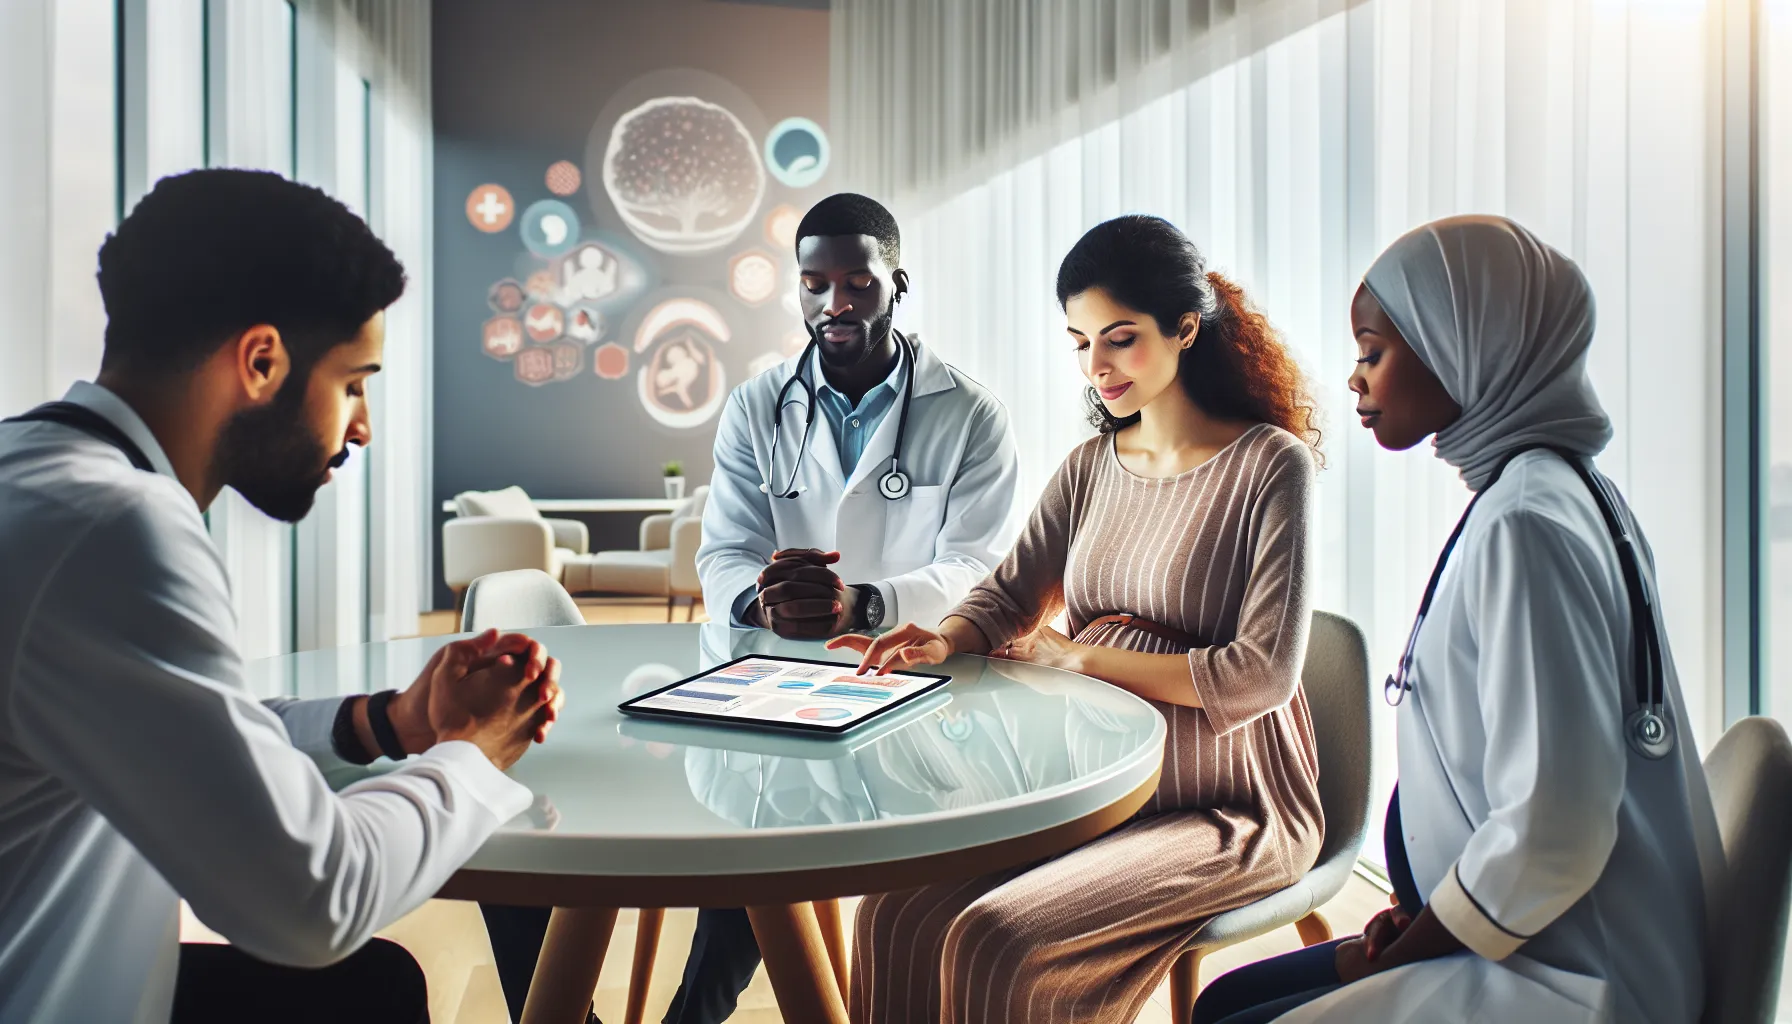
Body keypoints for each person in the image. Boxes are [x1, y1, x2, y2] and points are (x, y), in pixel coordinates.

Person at [0, 168, 565, 1024]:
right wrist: (474, 750)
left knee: (373, 991)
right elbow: (315, 901)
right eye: (353, 384)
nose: (363, 427)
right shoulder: (116, 528)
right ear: (262, 361)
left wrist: (390, 723)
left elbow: (183, 735)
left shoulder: (36, 479)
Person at [480, 192, 1021, 1024]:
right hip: (755, 673)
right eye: (814, 285)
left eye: (857, 283)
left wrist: (863, 603)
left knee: (761, 838)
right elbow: (724, 549)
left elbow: (979, 565)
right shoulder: (757, 404)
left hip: (899, 682)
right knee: (746, 816)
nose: (834, 305)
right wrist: (768, 603)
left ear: (897, 283)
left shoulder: (971, 413)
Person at [1191, 215, 1723, 1024]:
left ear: (1462, 346)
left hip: (1565, 974)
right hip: (1521, 929)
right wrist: (1436, 908)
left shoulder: (1527, 523)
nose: (1355, 379)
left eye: (1373, 352)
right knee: (1230, 993)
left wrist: (1426, 941)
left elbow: (1556, 828)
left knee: (1230, 1015)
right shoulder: (1553, 490)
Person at [830, 214, 1325, 1024]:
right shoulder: (1092, 464)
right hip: (1094, 782)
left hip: (1228, 805)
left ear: (1185, 328)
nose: (1096, 366)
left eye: (1120, 338)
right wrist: (944, 637)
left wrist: (1081, 660)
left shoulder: (1272, 466)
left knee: (999, 938)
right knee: (898, 914)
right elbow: (1009, 593)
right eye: (1080, 341)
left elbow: (1262, 674)